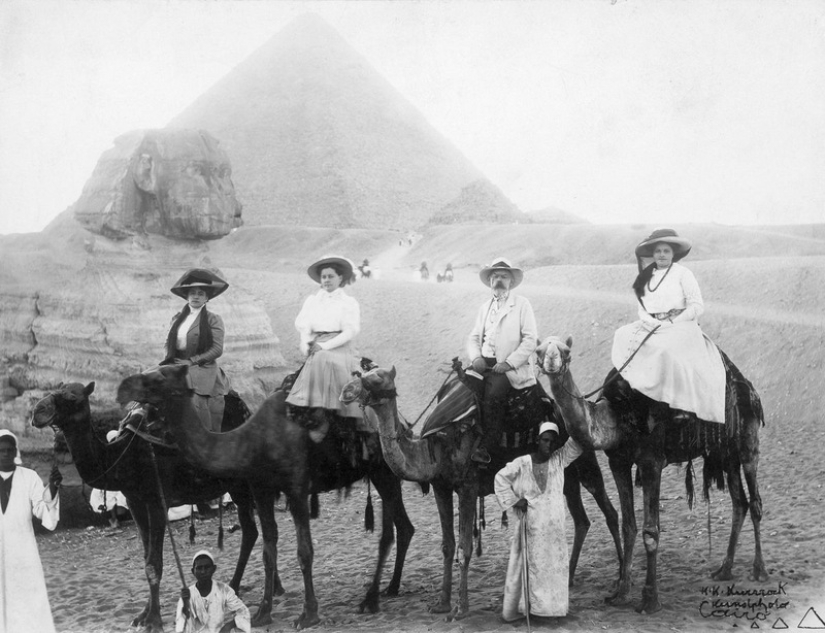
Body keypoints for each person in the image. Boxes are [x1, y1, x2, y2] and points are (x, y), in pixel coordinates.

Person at [611, 228, 726, 424]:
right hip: (652, 324)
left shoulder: (684, 274)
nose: (662, 255)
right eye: (658, 251)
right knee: (622, 334)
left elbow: (697, 305)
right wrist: (653, 322)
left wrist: (673, 322)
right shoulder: (645, 277)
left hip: (680, 324)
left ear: (673, 253)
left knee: (666, 349)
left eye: (666, 251)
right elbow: (642, 308)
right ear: (653, 254)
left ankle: (680, 405)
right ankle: (632, 391)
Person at [494, 421, 582, 622]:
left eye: (553, 441)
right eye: (545, 440)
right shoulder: (522, 463)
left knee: (553, 569)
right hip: (532, 526)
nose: (549, 445)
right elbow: (500, 478)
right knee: (532, 569)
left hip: (554, 530)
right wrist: (516, 501)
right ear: (538, 441)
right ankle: (532, 610)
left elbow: (577, 442)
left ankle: (552, 611)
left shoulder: (559, 459)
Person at [466, 257, 538, 464]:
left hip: (510, 368)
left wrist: (508, 363)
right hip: (484, 363)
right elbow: (473, 337)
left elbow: (530, 339)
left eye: (503, 277)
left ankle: (487, 447)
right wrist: (476, 357)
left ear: (511, 282)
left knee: (493, 396)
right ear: (490, 281)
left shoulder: (522, 305)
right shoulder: (484, 308)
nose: (498, 280)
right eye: (495, 276)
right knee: (460, 386)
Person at [285, 255, 363, 422]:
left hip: (340, 344)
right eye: (324, 277)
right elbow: (305, 328)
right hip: (316, 343)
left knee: (325, 359)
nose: (327, 280)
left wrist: (325, 346)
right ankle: (309, 410)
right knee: (313, 361)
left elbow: (350, 331)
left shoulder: (348, 302)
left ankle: (331, 413)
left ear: (340, 278)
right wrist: (306, 346)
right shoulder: (312, 301)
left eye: (331, 276)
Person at [0, 430, 62, 633]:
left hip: (23, 552)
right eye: (1, 450)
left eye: (10, 450)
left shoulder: (29, 477)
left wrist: (52, 488)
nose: (5, 454)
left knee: (26, 602)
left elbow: (43, 512)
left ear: (16, 451)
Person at [160, 268, 231, 432]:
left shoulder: (214, 319)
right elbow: (168, 343)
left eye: (201, 293)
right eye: (192, 293)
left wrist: (191, 361)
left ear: (207, 297)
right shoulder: (177, 318)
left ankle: (203, 435)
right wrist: (169, 361)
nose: (196, 296)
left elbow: (217, 349)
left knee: (194, 400)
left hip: (201, 367)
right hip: (177, 364)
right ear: (187, 295)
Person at [176, 549, 250, 633]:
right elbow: (181, 625)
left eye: (207, 567)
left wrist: (228, 626)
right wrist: (185, 605)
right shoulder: (187, 594)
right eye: (199, 568)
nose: (203, 572)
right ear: (193, 571)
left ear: (213, 569)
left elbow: (243, 611)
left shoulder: (223, 590)